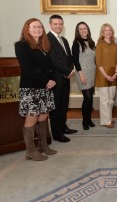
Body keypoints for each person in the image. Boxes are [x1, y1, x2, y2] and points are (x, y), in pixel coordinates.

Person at [15, 18, 57, 161]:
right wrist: (46, 81)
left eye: (39, 27)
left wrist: (52, 80)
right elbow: (27, 68)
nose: (37, 29)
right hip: (31, 87)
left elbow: (50, 66)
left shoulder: (43, 46)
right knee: (32, 118)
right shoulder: (21, 45)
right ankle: (30, 151)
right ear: (27, 29)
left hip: (45, 87)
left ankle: (43, 146)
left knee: (44, 116)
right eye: (34, 27)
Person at [47, 15, 77, 143]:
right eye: (55, 24)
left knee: (64, 104)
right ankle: (57, 134)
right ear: (50, 25)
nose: (58, 26)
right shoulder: (47, 39)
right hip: (56, 78)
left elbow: (69, 57)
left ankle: (63, 127)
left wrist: (71, 70)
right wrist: (67, 71)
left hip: (66, 77)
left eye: (60, 24)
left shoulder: (64, 40)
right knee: (56, 107)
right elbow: (52, 60)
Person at [72, 21, 96, 130]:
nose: (83, 30)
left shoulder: (91, 42)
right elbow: (75, 61)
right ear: (78, 31)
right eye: (80, 29)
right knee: (87, 98)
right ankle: (84, 122)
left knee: (90, 98)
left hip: (92, 73)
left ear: (88, 30)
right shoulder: (76, 43)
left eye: (85, 28)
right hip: (82, 73)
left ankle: (89, 119)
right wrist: (81, 75)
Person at [95, 23, 117, 128]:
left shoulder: (115, 45)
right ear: (103, 32)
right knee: (104, 100)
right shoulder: (99, 44)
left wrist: (116, 73)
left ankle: (108, 119)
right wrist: (106, 75)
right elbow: (98, 62)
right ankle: (106, 121)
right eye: (106, 30)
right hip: (102, 75)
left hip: (113, 74)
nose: (108, 32)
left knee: (111, 99)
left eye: (110, 30)